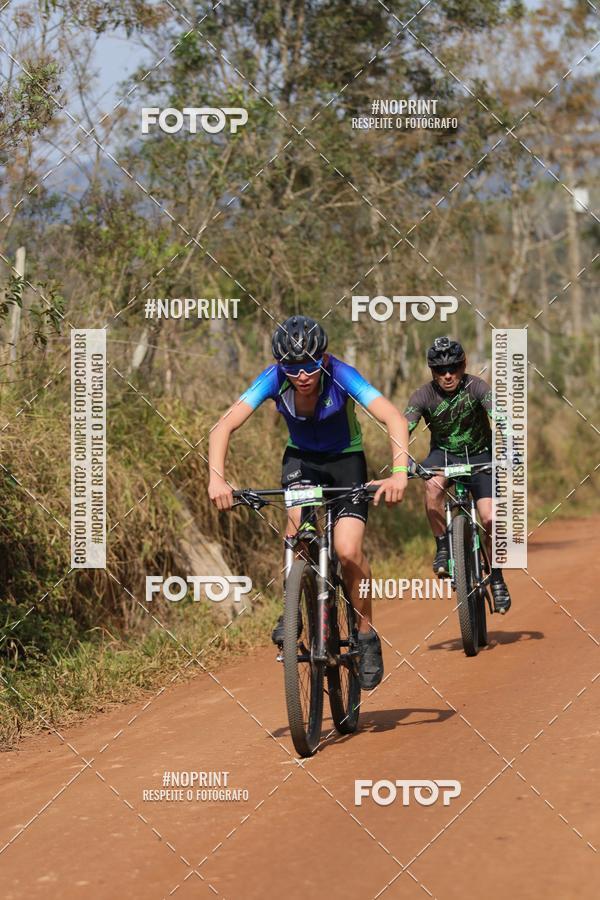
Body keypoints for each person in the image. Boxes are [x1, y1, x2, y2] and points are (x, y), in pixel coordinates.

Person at [208, 314, 410, 688]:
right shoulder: (273, 378)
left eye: (311, 365)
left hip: (346, 462)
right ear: (281, 365)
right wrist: (216, 479)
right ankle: (293, 614)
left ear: (325, 359)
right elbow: (224, 426)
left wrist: (399, 474)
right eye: (293, 367)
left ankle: (365, 635)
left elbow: (393, 417)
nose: (302, 375)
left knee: (348, 551)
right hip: (301, 461)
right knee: (298, 531)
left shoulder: (342, 375)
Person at [404, 336, 511, 613]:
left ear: (463, 366)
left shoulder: (477, 387)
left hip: (479, 455)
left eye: (453, 368)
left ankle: (497, 577)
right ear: (432, 372)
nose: (448, 375)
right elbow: (404, 427)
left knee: (490, 517)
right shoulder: (423, 395)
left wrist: (510, 447)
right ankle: (442, 545)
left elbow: (499, 417)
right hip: (444, 455)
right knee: (432, 485)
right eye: (440, 370)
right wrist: (401, 460)